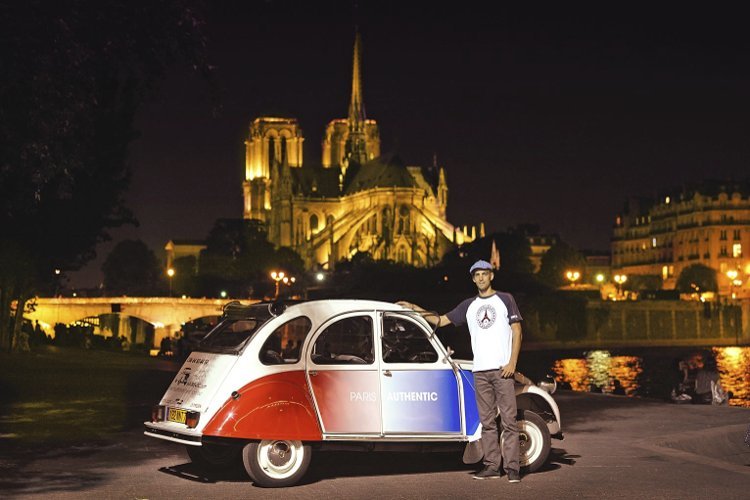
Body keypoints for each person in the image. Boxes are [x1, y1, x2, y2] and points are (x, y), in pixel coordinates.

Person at [398, 259, 523, 483]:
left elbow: (517, 331)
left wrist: (512, 363)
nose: (481, 278)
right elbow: (441, 320)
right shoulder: (468, 305)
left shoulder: (505, 299)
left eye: (485, 274)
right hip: (480, 370)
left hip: (502, 370)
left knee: (509, 421)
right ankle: (493, 466)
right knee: (487, 423)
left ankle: (513, 468)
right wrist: (415, 309)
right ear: (473, 279)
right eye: (477, 275)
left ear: (491, 276)